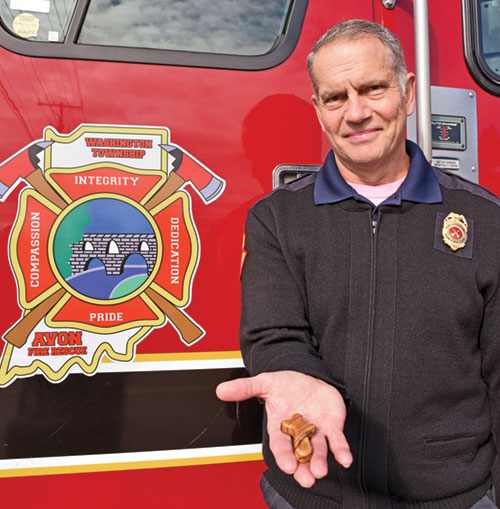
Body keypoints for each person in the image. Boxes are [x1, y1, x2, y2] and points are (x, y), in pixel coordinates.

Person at [216, 19, 500, 508]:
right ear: (319, 110)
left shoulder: (486, 219)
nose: (356, 113)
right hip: (314, 493)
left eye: (373, 89)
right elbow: (273, 336)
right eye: (335, 97)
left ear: (408, 93)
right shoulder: (276, 219)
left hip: (455, 497)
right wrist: (297, 379)